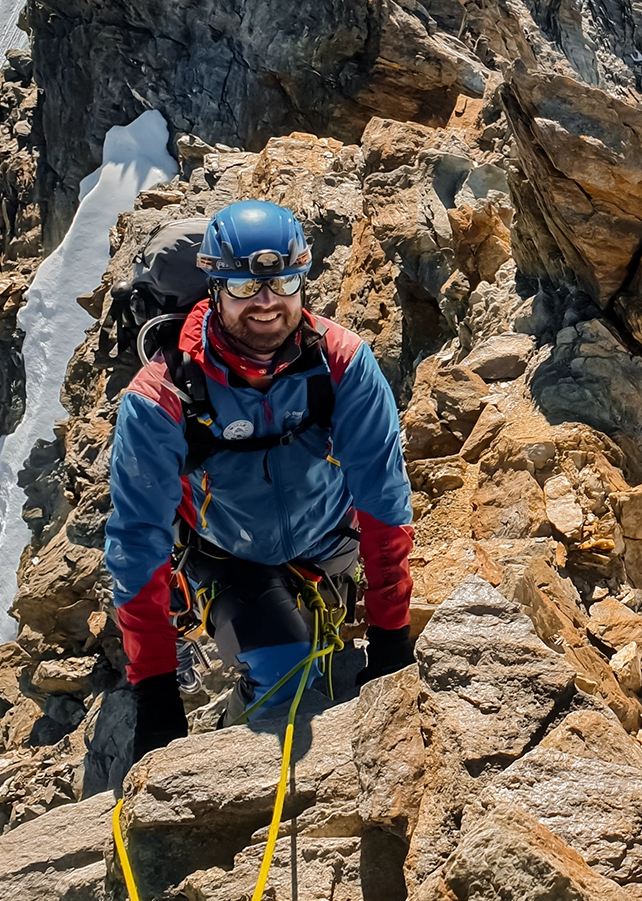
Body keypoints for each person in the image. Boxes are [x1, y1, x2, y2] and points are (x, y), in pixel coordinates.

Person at [105, 201, 415, 761]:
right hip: (228, 558)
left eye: (282, 282)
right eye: (244, 287)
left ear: (303, 283)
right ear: (214, 290)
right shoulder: (162, 396)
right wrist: (155, 691)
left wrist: (391, 637)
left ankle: (308, 614)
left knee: (320, 658)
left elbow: (383, 500)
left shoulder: (343, 364)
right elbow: (136, 541)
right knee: (287, 677)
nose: (266, 302)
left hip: (330, 543)